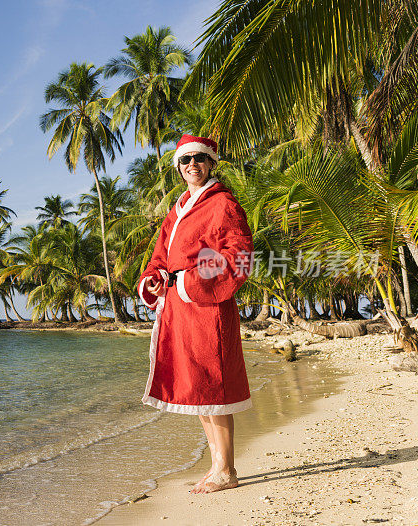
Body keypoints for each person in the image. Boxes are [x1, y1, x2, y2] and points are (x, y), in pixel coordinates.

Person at [137, 134, 253, 493]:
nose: (192, 166)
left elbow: (240, 257)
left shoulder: (223, 205)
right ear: (178, 168)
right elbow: (159, 258)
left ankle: (227, 470)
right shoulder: (178, 210)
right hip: (179, 309)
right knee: (200, 389)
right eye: (185, 161)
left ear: (211, 163)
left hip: (208, 308)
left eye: (199, 160)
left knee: (214, 387)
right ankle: (218, 464)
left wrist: (189, 280)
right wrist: (155, 281)